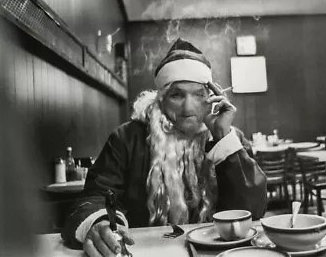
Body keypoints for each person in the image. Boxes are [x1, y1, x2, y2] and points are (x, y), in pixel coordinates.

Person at [62, 38, 268, 256]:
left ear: (211, 98)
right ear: (160, 99)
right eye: (177, 95)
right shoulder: (127, 138)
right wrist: (102, 222)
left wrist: (223, 140)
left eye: (198, 94)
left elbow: (253, 212)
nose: (189, 108)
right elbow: (96, 196)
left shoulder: (230, 138)